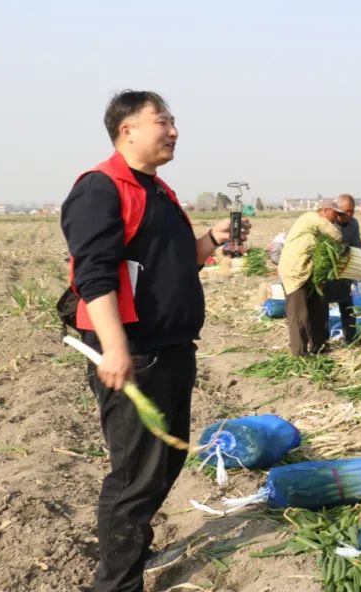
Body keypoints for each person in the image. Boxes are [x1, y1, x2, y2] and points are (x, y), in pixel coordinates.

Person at [60, 90, 249, 592]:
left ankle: (131, 554)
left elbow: (176, 259)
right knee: (135, 475)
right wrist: (115, 347)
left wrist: (212, 239)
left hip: (171, 350)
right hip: (136, 353)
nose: (174, 131)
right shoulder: (101, 188)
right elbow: (93, 275)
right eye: (162, 121)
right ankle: (116, 583)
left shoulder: (156, 190)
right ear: (128, 130)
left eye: (173, 121)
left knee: (165, 462)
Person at [278, 199, 349, 356]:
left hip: (309, 272)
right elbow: (336, 235)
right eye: (335, 213)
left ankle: (319, 346)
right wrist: (341, 242)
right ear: (324, 210)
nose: (336, 218)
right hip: (295, 272)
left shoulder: (317, 228)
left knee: (318, 308)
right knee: (299, 314)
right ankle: (300, 354)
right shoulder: (311, 217)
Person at [322, 194, 361, 343]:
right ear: (338, 210)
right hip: (328, 273)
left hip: (346, 270)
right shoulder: (328, 224)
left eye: (352, 211)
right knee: (323, 307)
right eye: (346, 211)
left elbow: (357, 246)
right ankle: (323, 340)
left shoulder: (354, 224)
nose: (349, 214)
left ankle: (351, 338)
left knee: (347, 306)